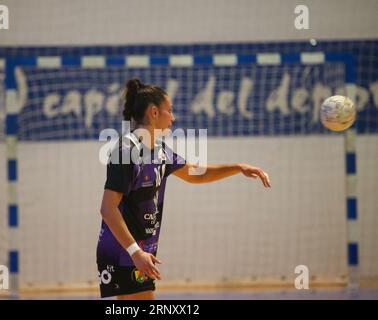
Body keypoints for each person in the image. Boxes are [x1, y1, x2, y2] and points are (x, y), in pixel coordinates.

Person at [97, 78, 271, 300]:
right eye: (170, 110)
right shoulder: (125, 149)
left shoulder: (159, 150)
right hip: (125, 249)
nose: (174, 117)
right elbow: (107, 208)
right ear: (154, 112)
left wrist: (238, 167)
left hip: (140, 250)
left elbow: (196, 173)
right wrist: (135, 252)